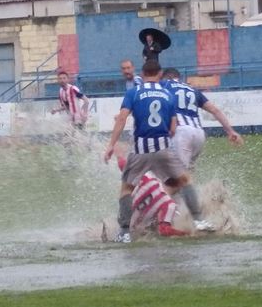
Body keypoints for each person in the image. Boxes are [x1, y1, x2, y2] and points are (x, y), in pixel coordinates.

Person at [103, 61, 210, 243]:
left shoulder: (133, 92)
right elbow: (173, 127)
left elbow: (122, 118)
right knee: (184, 181)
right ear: (160, 74)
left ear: (142, 74)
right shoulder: (168, 94)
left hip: (140, 149)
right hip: (163, 148)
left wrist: (111, 145)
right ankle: (199, 221)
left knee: (127, 189)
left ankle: (124, 232)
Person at [162, 68, 243, 172]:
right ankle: (197, 188)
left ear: (167, 77)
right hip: (199, 134)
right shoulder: (192, 89)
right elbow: (215, 110)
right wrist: (230, 131)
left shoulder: (164, 84)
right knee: (188, 172)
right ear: (179, 77)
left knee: (178, 174)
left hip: (181, 132)